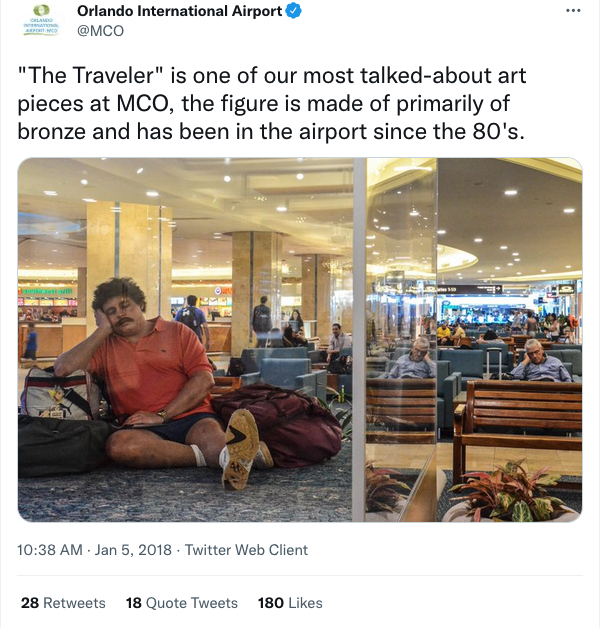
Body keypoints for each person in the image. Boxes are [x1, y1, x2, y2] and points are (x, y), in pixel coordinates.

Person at [54, 277, 272, 491]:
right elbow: (62, 369)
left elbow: (204, 379)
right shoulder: (103, 347)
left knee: (212, 439)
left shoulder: (178, 332)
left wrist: (163, 415)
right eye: (110, 311)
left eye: (124, 305)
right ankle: (236, 457)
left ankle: (227, 456)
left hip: (192, 416)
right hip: (142, 428)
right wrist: (101, 331)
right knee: (120, 447)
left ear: (140, 304)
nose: (120, 314)